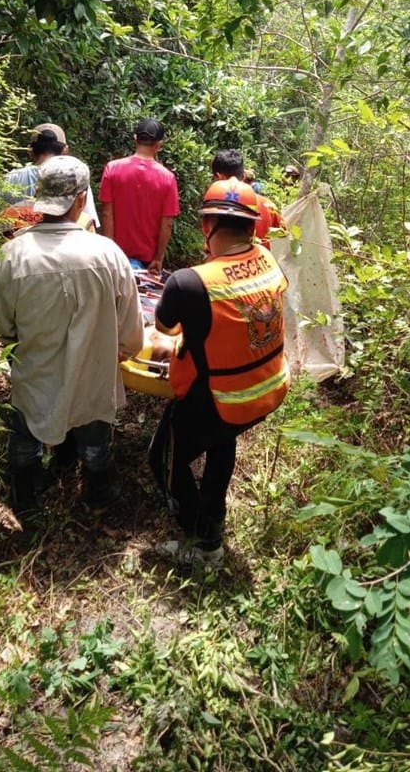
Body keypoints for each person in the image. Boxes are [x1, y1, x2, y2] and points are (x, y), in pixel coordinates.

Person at [0, 156, 144, 519]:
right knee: (95, 446)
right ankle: (99, 497)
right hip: (94, 374)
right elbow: (131, 332)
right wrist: (119, 352)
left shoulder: (11, 256)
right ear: (80, 199)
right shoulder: (108, 254)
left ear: (40, 198)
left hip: (35, 374)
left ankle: (26, 504)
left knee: (25, 441)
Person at [148, 177, 290, 569]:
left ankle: (204, 541)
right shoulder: (268, 261)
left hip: (215, 396)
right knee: (221, 442)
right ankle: (216, 513)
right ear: (253, 226)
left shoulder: (189, 282)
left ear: (205, 227)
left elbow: (165, 331)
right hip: (264, 392)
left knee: (164, 460)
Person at [99, 118, 180, 276]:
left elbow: (107, 213)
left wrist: (110, 252)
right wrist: (158, 258)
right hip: (147, 262)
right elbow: (167, 224)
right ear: (158, 145)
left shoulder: (112, 169)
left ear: (135, 139)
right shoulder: (167, 178)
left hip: (116, 258)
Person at [1, 122, 100, 231]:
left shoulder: (11, 178)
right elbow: (88, 223)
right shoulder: (76, 179)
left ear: (31, 151)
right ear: (65, 150)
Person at [211, 149, 285, 250]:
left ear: (219, 177)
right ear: (243, 175)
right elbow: (283, 232)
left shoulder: (215, 206)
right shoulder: (268, 205)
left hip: (224, 264)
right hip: (259, 262)